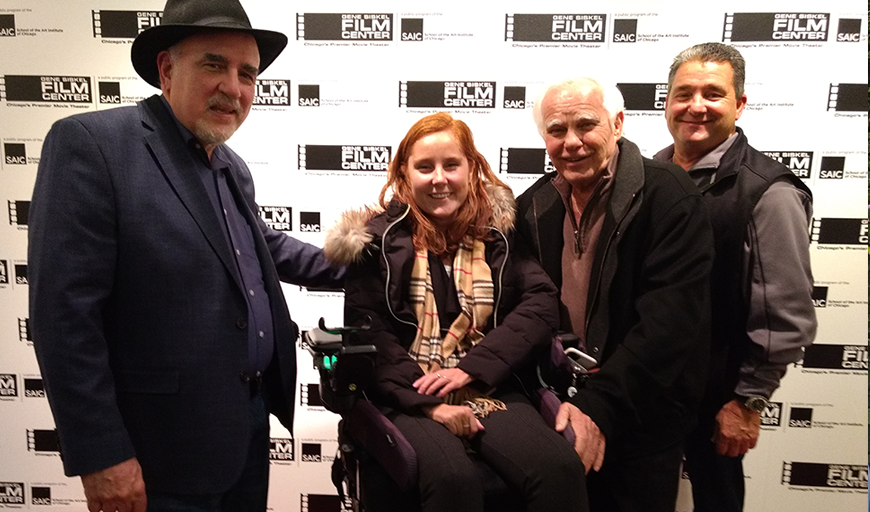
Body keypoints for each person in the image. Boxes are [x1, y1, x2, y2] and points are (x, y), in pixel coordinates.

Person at [27, 1, 344, 511]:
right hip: (156, 454)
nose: (234, 88)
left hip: (243, 432)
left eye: (247, 74)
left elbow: (265, 248)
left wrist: (371, 256)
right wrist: (101, 454)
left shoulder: (232, 166)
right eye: (214, 64)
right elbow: (63, 318)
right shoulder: (93, 144)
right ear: (167, 69)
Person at [323, 112, 587, 512]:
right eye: (424, 167)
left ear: (472, 168)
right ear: (404, 174)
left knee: (558, 468)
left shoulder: (500, 234)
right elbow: (371, 335)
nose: (439, 178)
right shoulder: (377, 242)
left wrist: (472, 368)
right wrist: (431, 405)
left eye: (451, 165)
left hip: (490, 386)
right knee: (453, 480)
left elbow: (539, 304)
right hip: (409, 391)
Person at [514, 77, 714, 512]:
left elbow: (669, 324)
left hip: (641, 420)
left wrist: (600, 405)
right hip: (559, 412)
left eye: (586, 125)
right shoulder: (532, 205)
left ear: (618, 123)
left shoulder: (669, 196)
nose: (571, 142)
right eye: (556, 130)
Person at [654, 42, 816, 512]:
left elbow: (785, 314)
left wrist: (749, 401)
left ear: (740, 104)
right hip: (648, 388)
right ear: (667, 101)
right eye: (684, 93)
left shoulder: (770, 192)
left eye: (713, 93)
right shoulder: (647, 176)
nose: (696, 106)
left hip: (717, 397)